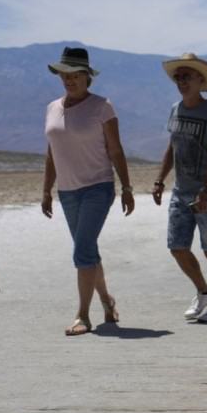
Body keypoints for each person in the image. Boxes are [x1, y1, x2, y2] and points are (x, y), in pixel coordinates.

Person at [41, 46, 135, 336]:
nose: (69, 80)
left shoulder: (102, 106)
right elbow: (51, 152)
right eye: (64, 75)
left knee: (82, 250)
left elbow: (116, 150)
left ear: (87, 77)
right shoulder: (52, 108)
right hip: (67, 191)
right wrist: (46, 190)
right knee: (88, 252)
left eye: (75, 75)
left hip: (98, 186)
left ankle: (83, 315)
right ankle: (107, 301)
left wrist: (127, 186)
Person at [152, 53, 207, 322]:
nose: (182, 81)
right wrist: (160, 180)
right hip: (180, 191)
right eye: (178, 77)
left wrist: (206, 190)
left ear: (200, 80)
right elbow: (171, 148)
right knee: (177, 247)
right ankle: (203, 292)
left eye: (187, 77)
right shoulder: (176, 109)